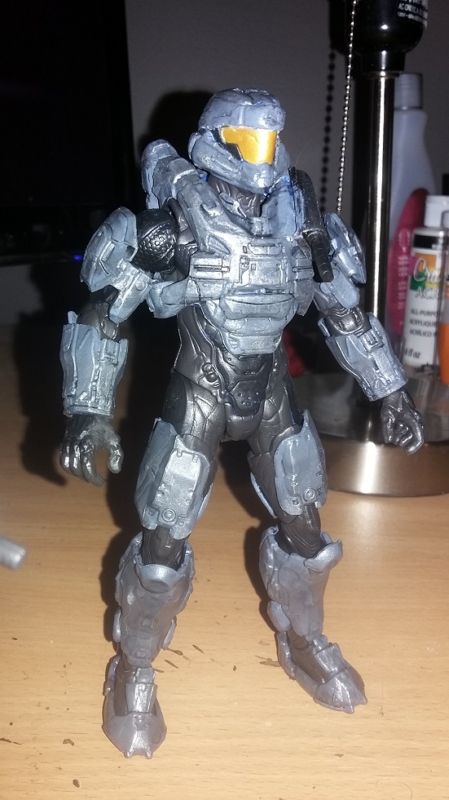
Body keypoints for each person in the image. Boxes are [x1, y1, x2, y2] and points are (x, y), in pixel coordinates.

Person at [60, 88, 423, 757]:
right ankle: (133, 669)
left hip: (270, 396)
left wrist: (391, 392)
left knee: (306, 530)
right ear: (216, 143)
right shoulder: (169, 223)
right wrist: (87, 410)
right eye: (248, 141)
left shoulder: (298, 219)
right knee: (162, 544)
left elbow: (344, 313)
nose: (262, 155)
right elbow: (101, 314)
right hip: (198, 393)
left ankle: (303, 640)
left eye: (268, 140)